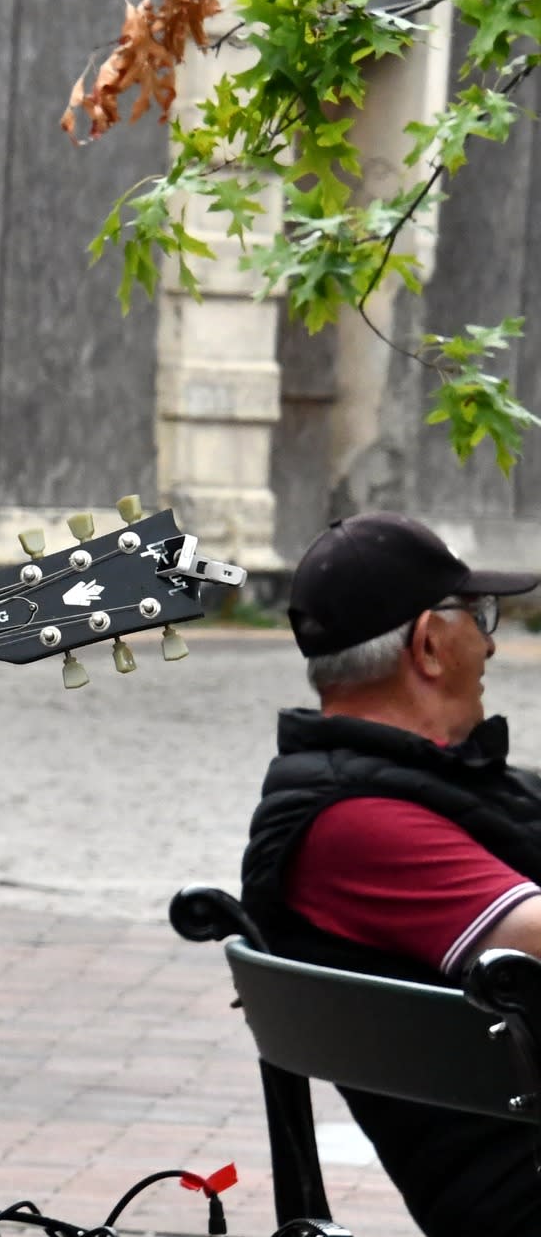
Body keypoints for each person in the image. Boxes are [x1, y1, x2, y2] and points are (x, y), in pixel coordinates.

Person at [242, 511, 541, 1237]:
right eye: (479, 616)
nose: (491, 643)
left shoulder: (413, 786)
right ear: (429, 644)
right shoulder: (354, 826)